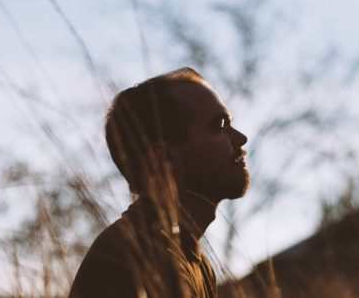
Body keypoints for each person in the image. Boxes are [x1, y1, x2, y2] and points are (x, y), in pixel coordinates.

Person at [69, 67, 249, 298]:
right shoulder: (134, 257)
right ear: (165, 157)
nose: (241, 138)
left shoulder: (197, 263)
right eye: (219, 125)